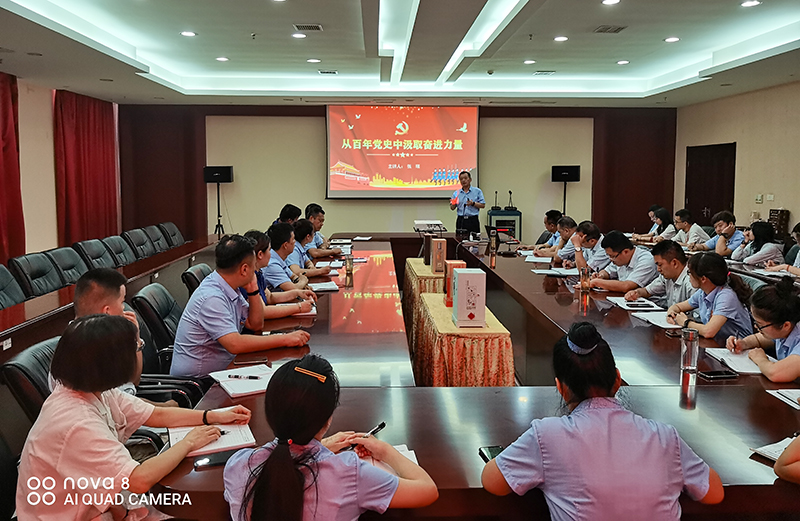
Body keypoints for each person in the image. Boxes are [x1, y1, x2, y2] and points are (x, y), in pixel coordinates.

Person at [17, 314, 252, 521]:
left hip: (97, 504)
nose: (139, 351)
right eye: (137, 347)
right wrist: (189, 442)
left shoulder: (94, 390)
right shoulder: (76, 422)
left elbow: (157, 414)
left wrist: (213, 416)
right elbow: (139, 480)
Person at [481, 322, 723, 519]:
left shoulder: (547, 435)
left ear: (561, 388)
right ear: (617, 380)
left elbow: (493, 481)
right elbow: (714, 493)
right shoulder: (665, 437)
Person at [223, 354, 438, 521]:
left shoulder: (238, 465)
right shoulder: (348, 472)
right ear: (327, 418)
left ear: (269, 410)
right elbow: (427, 490)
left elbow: (282, 461)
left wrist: (320, 447)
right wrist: (385, 451)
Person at [171, 234, 310, 378]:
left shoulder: (230, 286)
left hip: (225, 367)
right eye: (254, 265)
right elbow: (235, 344)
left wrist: (253, 290)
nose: (255, 270)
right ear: (244, 270)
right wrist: (285, 339)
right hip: (199, 381)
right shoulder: (212, 297)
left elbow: (255, 324)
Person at [67, 268, 177, 406]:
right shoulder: (83, 353)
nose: (123, 309)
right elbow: (120, 407)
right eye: (122, 302)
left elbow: (134, 381)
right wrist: (165, 408)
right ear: (107, 312)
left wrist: (136, 338)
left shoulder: (102, 337)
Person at [666, 252, 753, 345]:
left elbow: (708, 332)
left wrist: (686, 323)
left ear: (703, 279)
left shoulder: (726, 296)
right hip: (718, 345)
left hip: (738, 348)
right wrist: (671, 314)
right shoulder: (703, 292)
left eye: (689, 272)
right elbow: (678, 307)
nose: (689, 276)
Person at [726, 277, 800, 382]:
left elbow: (776, 374)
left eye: (760, 325)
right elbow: (761, 339)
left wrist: (760, 359)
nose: (756, 327)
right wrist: (743, 343)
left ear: (786, 325)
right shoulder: (784, 328)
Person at [241, 230, 317, 319]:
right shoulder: (247, 278)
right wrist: (299, 307)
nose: (271, 254)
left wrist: (297, 293)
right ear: (260, 254)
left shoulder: (258, 272)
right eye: (269, 250)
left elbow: (270, 297)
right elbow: (262, 312)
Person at [624, 240, 694, 308]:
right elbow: (647, 291)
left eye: (660, 265)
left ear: (674, 263)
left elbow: (697, 314)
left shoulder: (691, 282)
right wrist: (636, 292)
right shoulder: (666, 277)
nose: (658, 269)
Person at [586, 231, 658, 292]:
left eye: (612, 256)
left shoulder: (646, 260)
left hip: (648, 302)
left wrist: (597, 282)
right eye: (608, 256)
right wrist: (600, 276)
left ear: (625, 252)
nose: (610, 259)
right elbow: (607, 272)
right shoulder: (619, 258)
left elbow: (626, 286)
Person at [264, 222, 310, 292]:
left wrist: (301, 283)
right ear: (285, 245)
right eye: (293, 239)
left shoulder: (280, 257)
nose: (295, 242)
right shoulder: (272, 265)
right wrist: (303, 281)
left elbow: (293, 276)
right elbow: (294, 289)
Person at [449, 170, 485, 235]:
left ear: (470, 179)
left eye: (465, 178)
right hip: (461, 220)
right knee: (460, 239)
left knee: (475, 239)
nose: (463, 180)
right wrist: (453, 203)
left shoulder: (477, 191)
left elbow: (483, 205)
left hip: (473, 220)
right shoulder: (456, 193)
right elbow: (452, 208)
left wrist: (473, 203)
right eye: (461, 179)